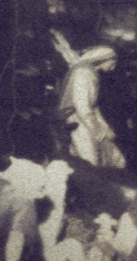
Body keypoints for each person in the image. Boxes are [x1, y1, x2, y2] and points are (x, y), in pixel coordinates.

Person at [52, 28, 125, 168]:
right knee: (89, 164)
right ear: (103, 60)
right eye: (112, 62)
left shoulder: (90, 73)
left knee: (116, 161)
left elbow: (93, 106)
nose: (113, 67)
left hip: (87, 122)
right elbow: (82, 107)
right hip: (78, 123)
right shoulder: (83, 73)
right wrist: (98, 132)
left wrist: (105, 128)